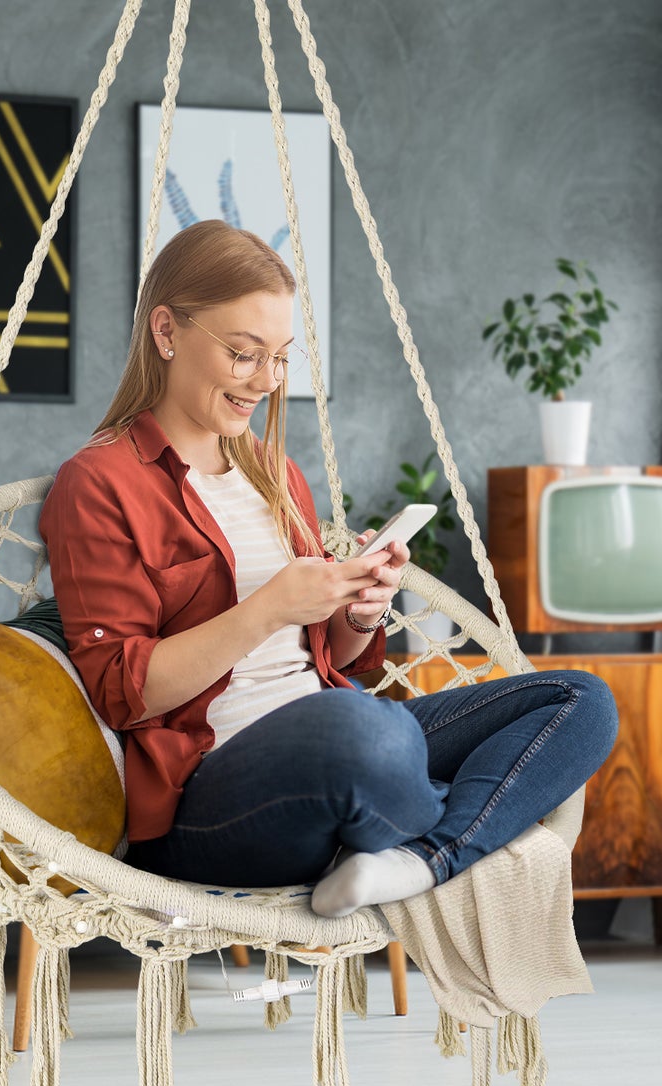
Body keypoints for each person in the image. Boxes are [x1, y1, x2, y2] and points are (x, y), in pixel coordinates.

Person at [38, 220, 617, 914]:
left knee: (580, 701)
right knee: (364, 731)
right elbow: (121, 692)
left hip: (336, 742)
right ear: (166, 332)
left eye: (280, 357)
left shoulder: (272, 474)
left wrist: (356, 609)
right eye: (244, 354)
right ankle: (460, 823)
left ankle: (418, 860)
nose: (267, 381)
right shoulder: (98, 483)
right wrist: (269, 607)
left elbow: (328, 655)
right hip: (212, 793)